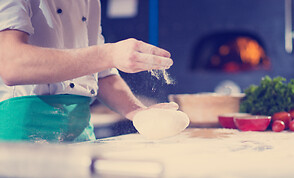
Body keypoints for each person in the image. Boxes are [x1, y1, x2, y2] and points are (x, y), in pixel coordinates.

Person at [0, 0, 177, 142]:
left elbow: (101, 74)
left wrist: (138, 112)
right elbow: (12, 64)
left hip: (81, 134)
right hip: (24, 133)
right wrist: (109, 54)